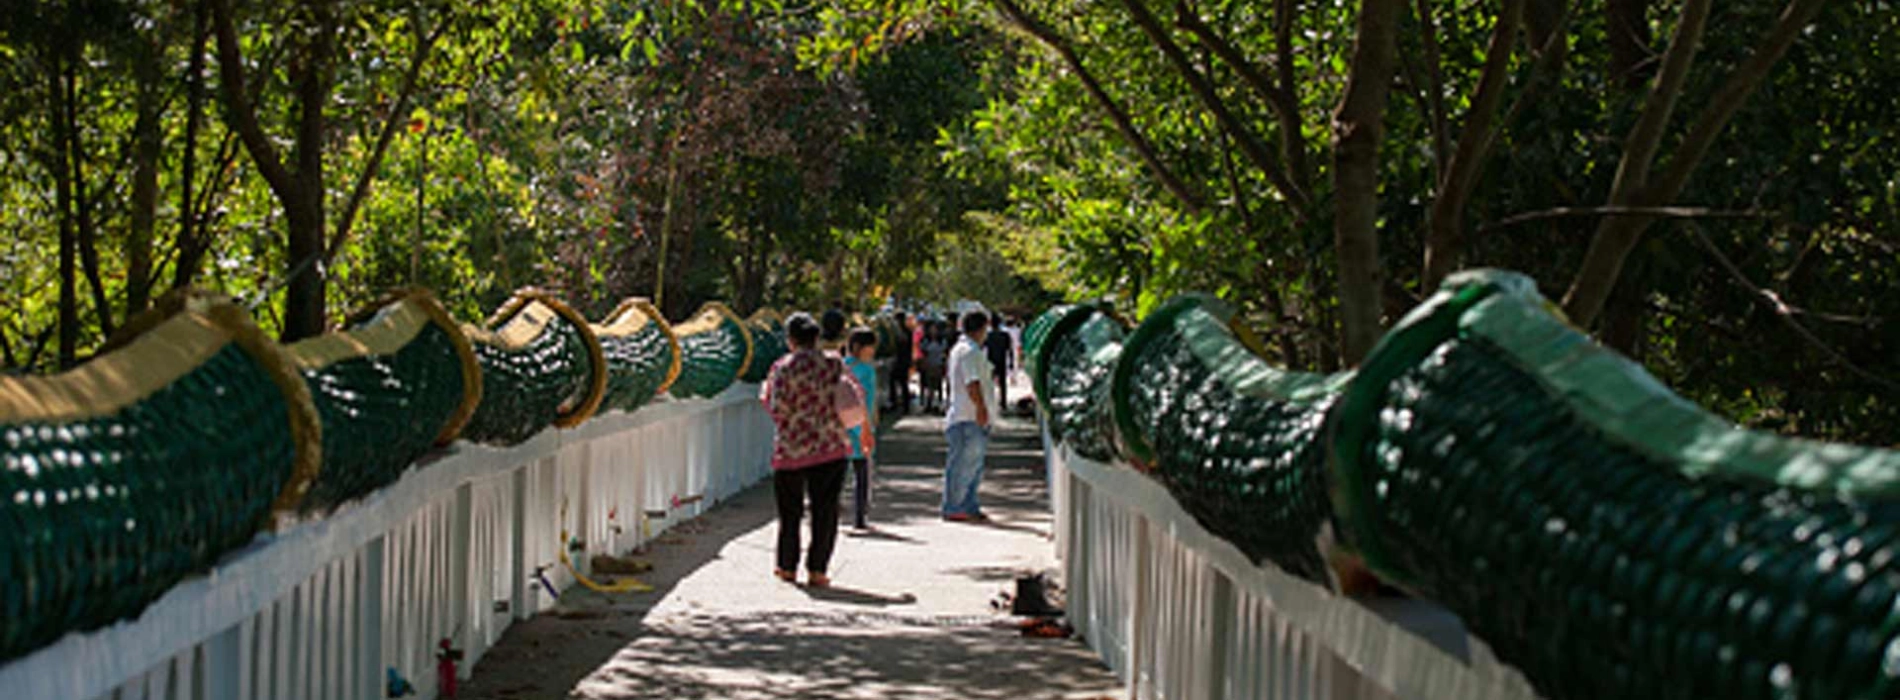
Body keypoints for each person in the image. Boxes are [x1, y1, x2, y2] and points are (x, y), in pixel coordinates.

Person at [759, 313, 856, 588]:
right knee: (825, 511)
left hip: (791, 448)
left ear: (790, 340)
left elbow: (776, 406)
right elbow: (851, 397)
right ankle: (818, 570)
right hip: (830, 445)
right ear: (816, 338)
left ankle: (787, 566)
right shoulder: (833, 363)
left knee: (790, 512)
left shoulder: (782, 367)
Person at [942, 311, 997, 521]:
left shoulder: (965, 350)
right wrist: (981, 408)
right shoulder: (969, 352)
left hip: (968, 416)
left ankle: (968, 504)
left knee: (973, 466)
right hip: (968, 417)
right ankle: (955, 505)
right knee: (964, 465)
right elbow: (972, 383)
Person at [843, 328, 879, 530]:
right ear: (860, 347)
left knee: (838, 474)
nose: (872, 351)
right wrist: (869, 424)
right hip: (861, 426)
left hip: (840, 428)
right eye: (870, 347)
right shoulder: (867, 371)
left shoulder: (839, 367)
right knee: (862, 474)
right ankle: (859, 517)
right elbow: (866, 400)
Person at [985, 312, 1013, 413]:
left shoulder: (988, 336)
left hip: (990, 361)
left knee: (989, 384)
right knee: (1002, 384)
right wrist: (1011, 362)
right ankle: (1003, 403)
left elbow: (983, 349)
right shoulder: (1005, 335)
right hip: (1002, 360)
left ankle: (990, 402)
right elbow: (1010, 350)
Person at [889, 312, 913, 415]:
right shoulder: (905, 331)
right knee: (897, 382)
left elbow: (903, 344)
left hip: (902, 360)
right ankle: (899, 404)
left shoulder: (904, 332)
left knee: (901, 383)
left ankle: (902, 405)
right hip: (901, 360)